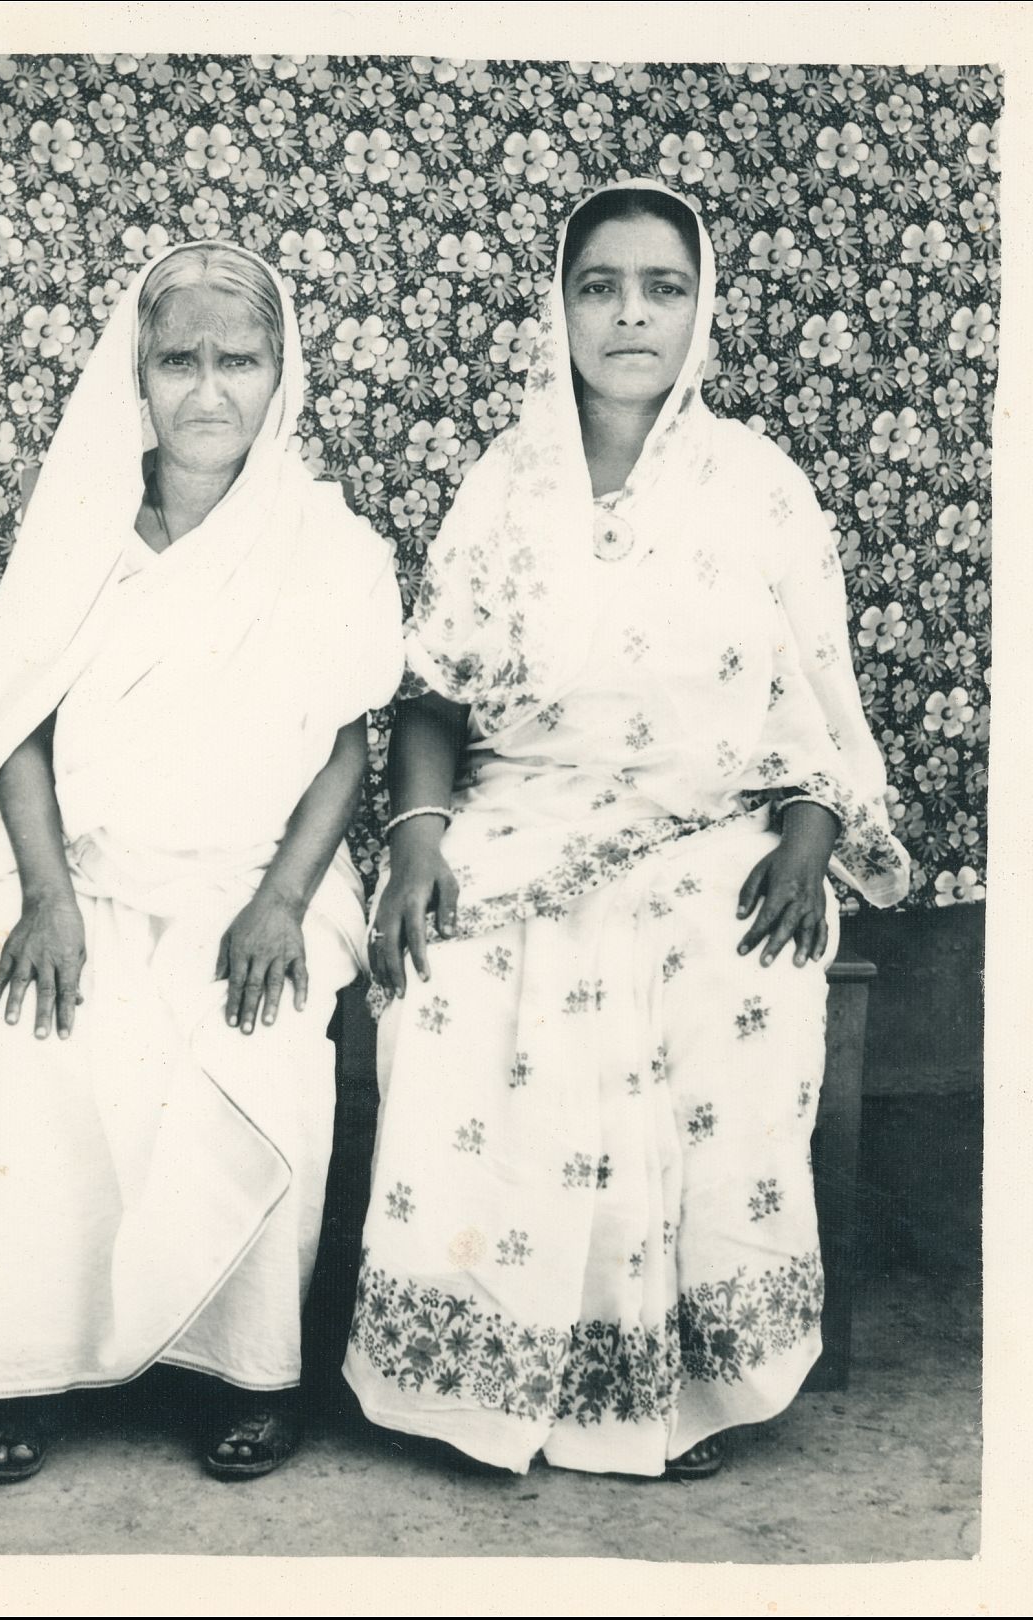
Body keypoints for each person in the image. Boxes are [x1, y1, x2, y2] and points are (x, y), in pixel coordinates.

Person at [342, 179, 910, 1480]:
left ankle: (689, 1377)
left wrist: (812, 834)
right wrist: (419, 835)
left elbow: (814, 702)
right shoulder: (507, 483)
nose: (631, 315)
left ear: (699, 307)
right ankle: (480, 1368)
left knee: (723, 968)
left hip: (711, 825)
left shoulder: (761, 488)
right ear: (560, 308)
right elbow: (435, 690)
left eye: (661, 288)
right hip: (521, 809)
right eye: (600, 287)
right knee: (451, 967)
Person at [0, 241, 404, 1483]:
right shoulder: (80, 526)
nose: (206, 389)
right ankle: (21, 1372)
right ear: (134, 373)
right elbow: (11, 725)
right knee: (40, 1045)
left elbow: (348, 743)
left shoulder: (326, 541)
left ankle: (242, 1373)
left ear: (279, 373)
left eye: (236, 360)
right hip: (63, 862)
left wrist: (281, 902)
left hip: (258, 873)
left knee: (252, 1044)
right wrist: (47, 897)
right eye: (178, 359)